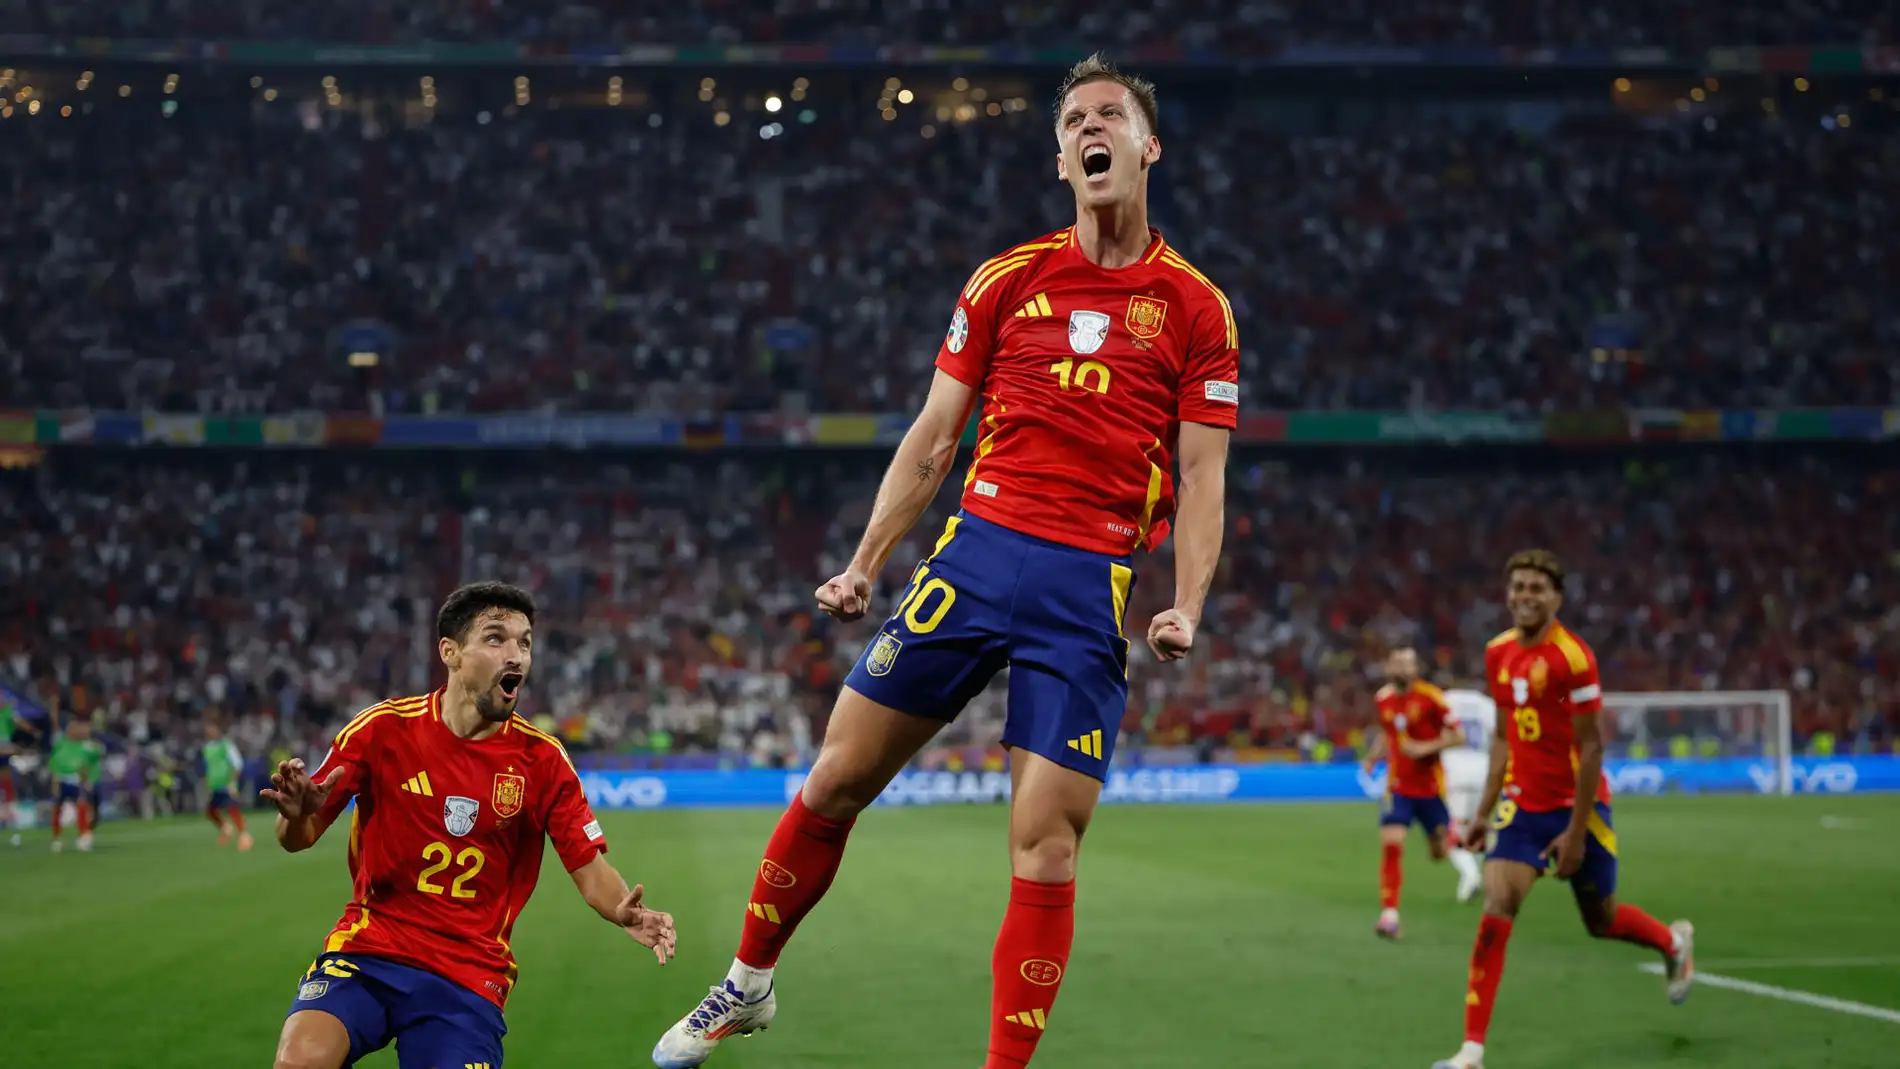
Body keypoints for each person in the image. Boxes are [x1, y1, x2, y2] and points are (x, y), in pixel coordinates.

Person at [652, 52, 1238, 1069]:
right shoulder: (1006, 280)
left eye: (1110, 115)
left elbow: (1201, 476)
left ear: (1148, 148)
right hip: (972, 559)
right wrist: (863, 560)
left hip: (1083, 585)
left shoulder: (1195, 309)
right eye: (1073, 121)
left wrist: (1184, 602)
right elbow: (932, 440)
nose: (1090, 129)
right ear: (1060, 158)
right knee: (834, 776)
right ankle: (744, 987)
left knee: (1046, 842)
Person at [265, 581, 678, 1069]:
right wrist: (294, 817)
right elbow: (301, 836)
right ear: (451, 653)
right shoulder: (382, 730)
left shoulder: (543, 761)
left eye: (525, 642)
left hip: (467, 974)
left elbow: (590, 869)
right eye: (496, 638)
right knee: (300, 1058)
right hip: (368, 952)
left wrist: (624, 911)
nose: (516, 655)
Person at [1433, 550, 1694, 1069]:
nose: (1525, 596)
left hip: (1581, 809)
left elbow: (1593, 748)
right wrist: (1484, 812)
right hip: (1522, 806)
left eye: (1536, 588)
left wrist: (1575, 836)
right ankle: (1470, 1052)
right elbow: (1504, 741)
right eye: (1518, 587)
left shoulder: (1573, 659)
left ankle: (1672, 942)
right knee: (1497, 907)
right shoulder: (1497, 653)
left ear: (1557, 598)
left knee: (1601, 920)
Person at [1360, 646, 1481, 938]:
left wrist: (1424, 748)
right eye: (1395, 661)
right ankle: (1389, 915)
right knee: (1392, 844)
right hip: (1398, 787)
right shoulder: (1384, 699)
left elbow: (1459, 736)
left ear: (1416, 669)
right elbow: (1388, 734)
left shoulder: (1431, 698)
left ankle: (1463, 841)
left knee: (1438, 853)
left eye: (1406, 663)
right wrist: (1373, 756)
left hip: (1430, 789)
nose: (1400, 667)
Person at [1440, 685, 1497, 903]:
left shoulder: (1443, 700)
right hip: (1482, 769)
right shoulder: (1485, 704)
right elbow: (1499, 734)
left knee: (1451, 831)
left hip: (1453, 770)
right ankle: (1483, 878)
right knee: (1478, 828)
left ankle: (1471, 875)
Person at [48, 716, 102, 852]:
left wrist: (86, 780)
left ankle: (83, 835)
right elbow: (54, 760)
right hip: (60, 779)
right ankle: (57, 838)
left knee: (82, 807)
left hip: (75, 779)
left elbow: (86, 763)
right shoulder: (61, 743)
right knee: (57, 808)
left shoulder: (85, 746)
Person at [202, 720, 253, 850]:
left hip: (227, 784)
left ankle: (244, 836)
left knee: (232, 809)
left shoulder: (226, 745)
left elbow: (237, 764)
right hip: (215, 784)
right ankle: (225, 828)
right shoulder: (207, 748)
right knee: (211, 811)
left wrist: (232, 782)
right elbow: (209, 767)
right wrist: (208, 783)